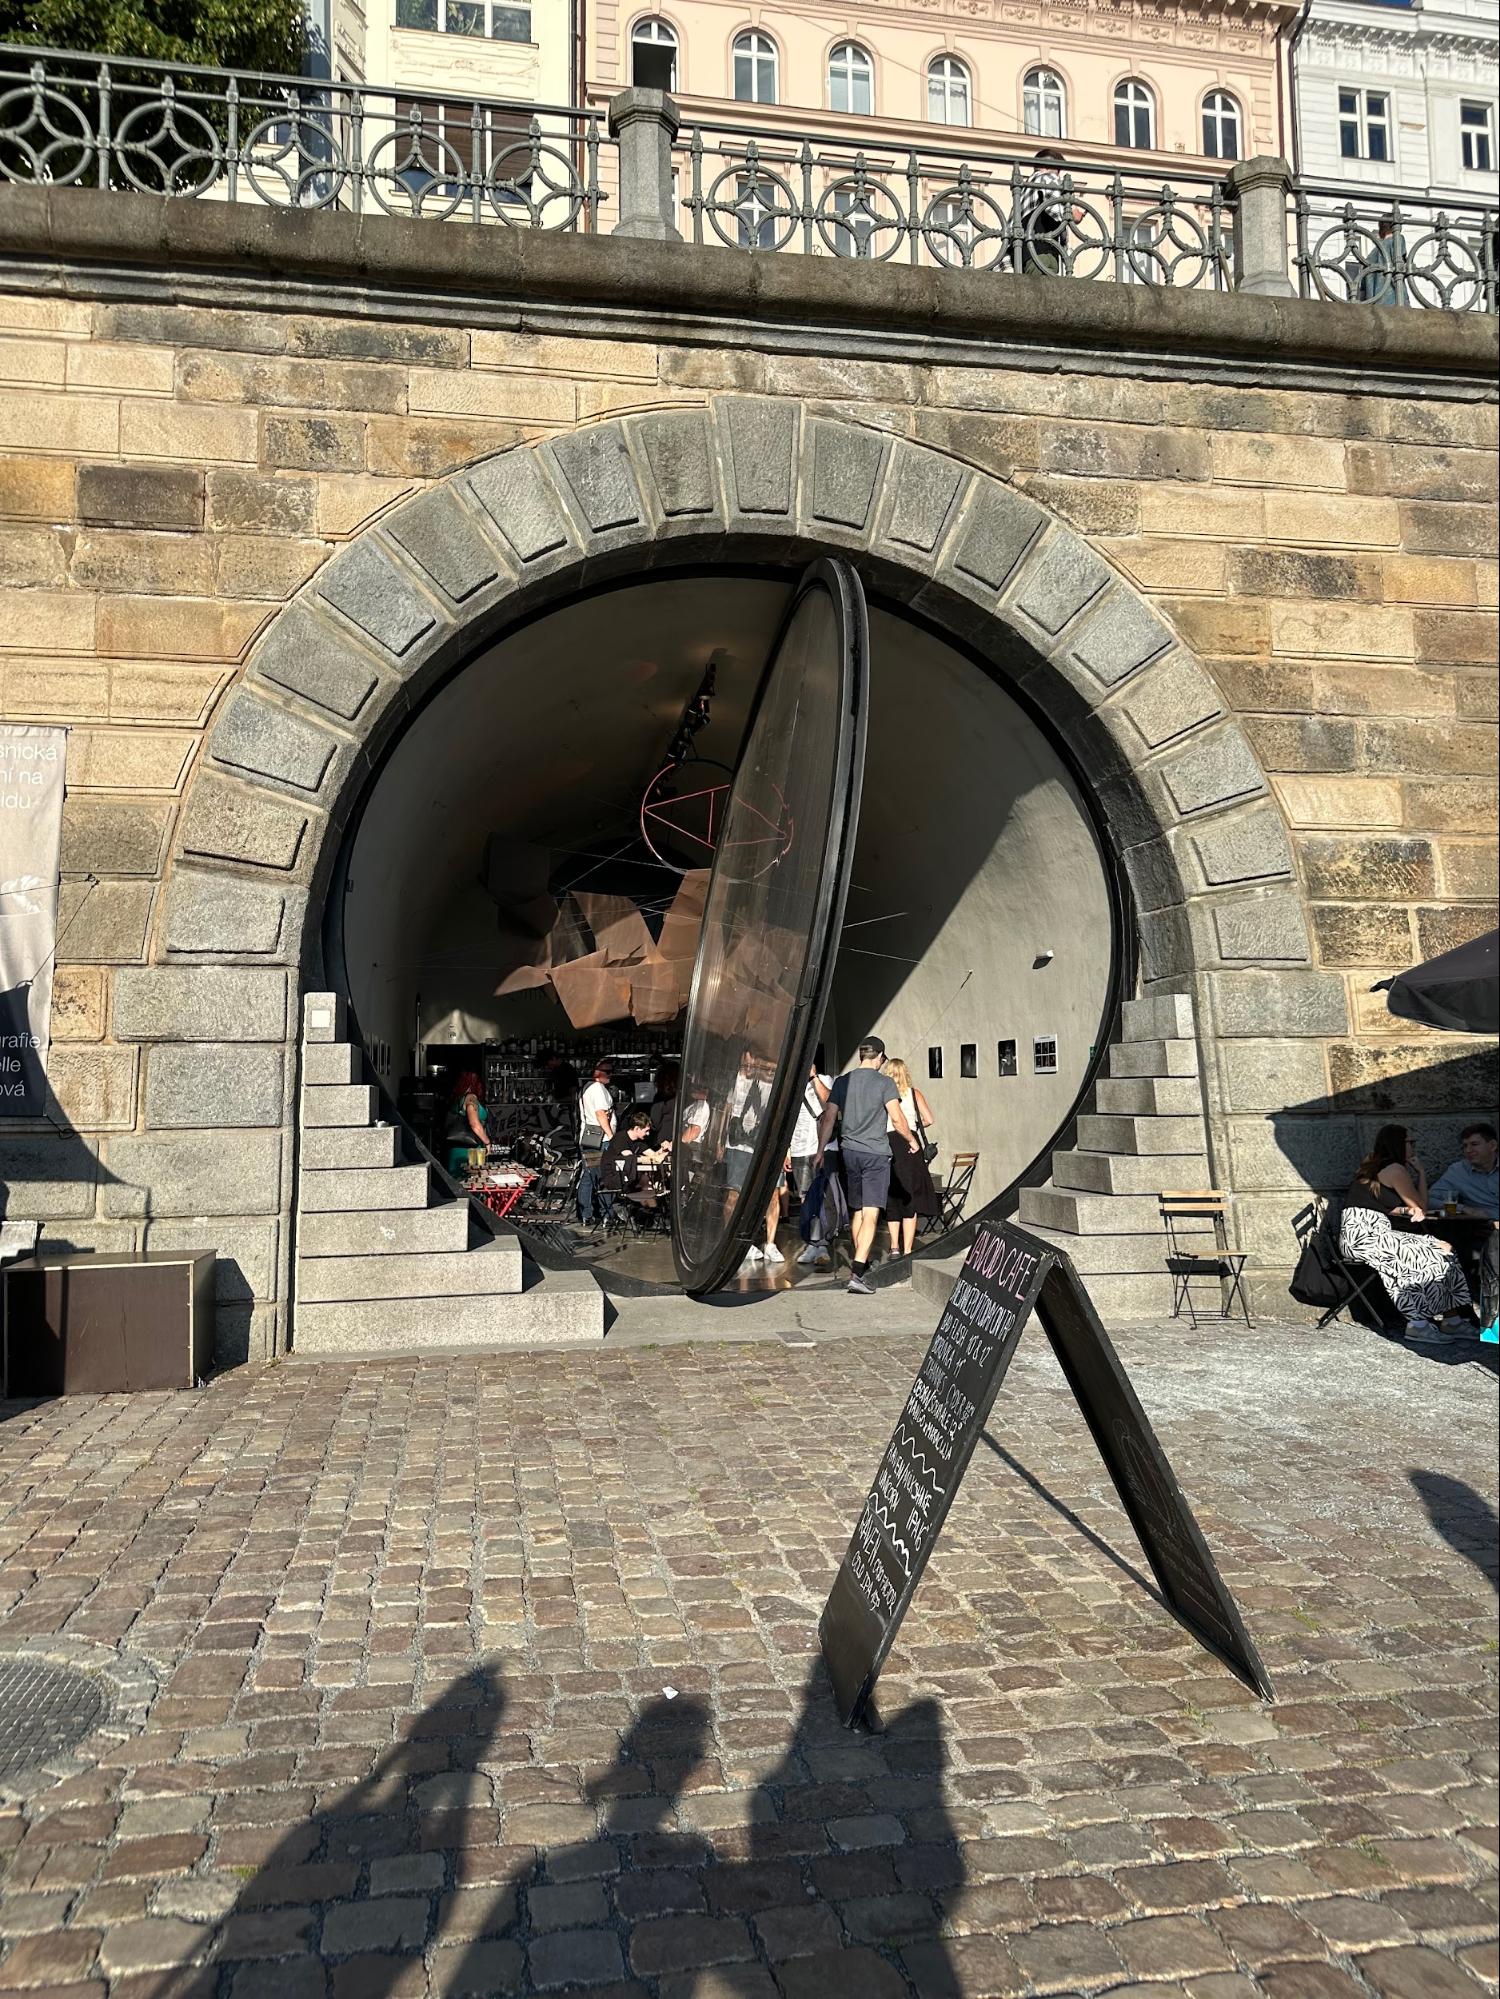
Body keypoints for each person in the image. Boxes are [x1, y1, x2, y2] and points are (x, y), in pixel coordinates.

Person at [1338, 1124, 1474, 1346]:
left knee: (1442, 1249)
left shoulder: (1373, 1163)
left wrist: (1404, 1210)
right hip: (1367, 1237)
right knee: (1430, 1251)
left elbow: (1374, 1203)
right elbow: (1422, 1205)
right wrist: (1421, 1173)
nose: (1413, 1147)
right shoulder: (1395, 1169)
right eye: (1410, 1142)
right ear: (1398, 1144)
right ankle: (1418, 1324)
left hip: (1362, 1234)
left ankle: (1452, 1319)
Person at [819, 1038, 918, 1297]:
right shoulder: (884, 1083)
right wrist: (911, 1140)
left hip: (849, 1153)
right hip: (875, 1154)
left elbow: (829, 1118)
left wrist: (820, 1150)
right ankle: (857, 1274)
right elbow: (897, 1118)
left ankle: (859, 1260)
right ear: (880, 1056)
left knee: (858, 1210)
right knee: (872, 1212)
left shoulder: (843, 1082)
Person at [1430, 1122, 1499, 1334]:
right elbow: (1431, 1198)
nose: (1468, 1150)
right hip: (1483, 1231)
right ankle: (1485, 1321)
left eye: (1474, 1144)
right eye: (1465, 1146)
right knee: (1455, 1249)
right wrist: (1465, 1208)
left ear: (1493, 1145)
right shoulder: (1458, 1171)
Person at [883, 1057, 939, 1258]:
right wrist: (913, 1123)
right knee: (910, 1197)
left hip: (889, 1142)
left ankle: (894, 1247)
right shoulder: (914, 1093)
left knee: (892, 1197)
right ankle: (907, 1249)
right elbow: (929, 1119)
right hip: (910, 1144)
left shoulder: (884, 1094)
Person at [790, 1060, 833, 1269]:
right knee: (805, 1199)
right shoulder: (791, 1085)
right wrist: (787, 1151)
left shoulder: (824, 1080)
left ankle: (821, 1244)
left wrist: (814, 1078)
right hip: (798, 1149)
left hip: (818, 1148)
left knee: (821, 1198)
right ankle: (811, 1243)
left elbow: (828, 1104)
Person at [601, 1105, 666, 1229]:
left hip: (627, 1175)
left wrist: (663, 1151)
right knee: (647, 1183)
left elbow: (652, 1154)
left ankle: (650, 1215)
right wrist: (651, 1159)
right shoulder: (620, 1138)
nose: (648, 1134)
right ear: (636, 1128)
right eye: (646, 1131)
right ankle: (648, 1215)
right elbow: (630, 1159)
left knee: (651, 1183)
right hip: (615, 1178)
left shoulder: (638, 1141)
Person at [576, 1060, 616, 1226]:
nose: (611, 1075)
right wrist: (611, 1136)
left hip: (589, 1138)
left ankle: (586, 1214)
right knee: (604, 1177)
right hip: (601, 1139)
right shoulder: (598, 1089)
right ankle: (607, 1214)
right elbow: (601, 1114)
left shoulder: (586, 1088)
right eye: (608, 1072)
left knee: (588, 1176)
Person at [442, 1070, 489, 1178]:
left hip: (457, 1146)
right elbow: (474, 1124)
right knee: (471, 1179)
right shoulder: (471, 1098)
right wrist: (487, 1142)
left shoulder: (458, 1099)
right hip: (471, 1149)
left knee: (457, 1179)